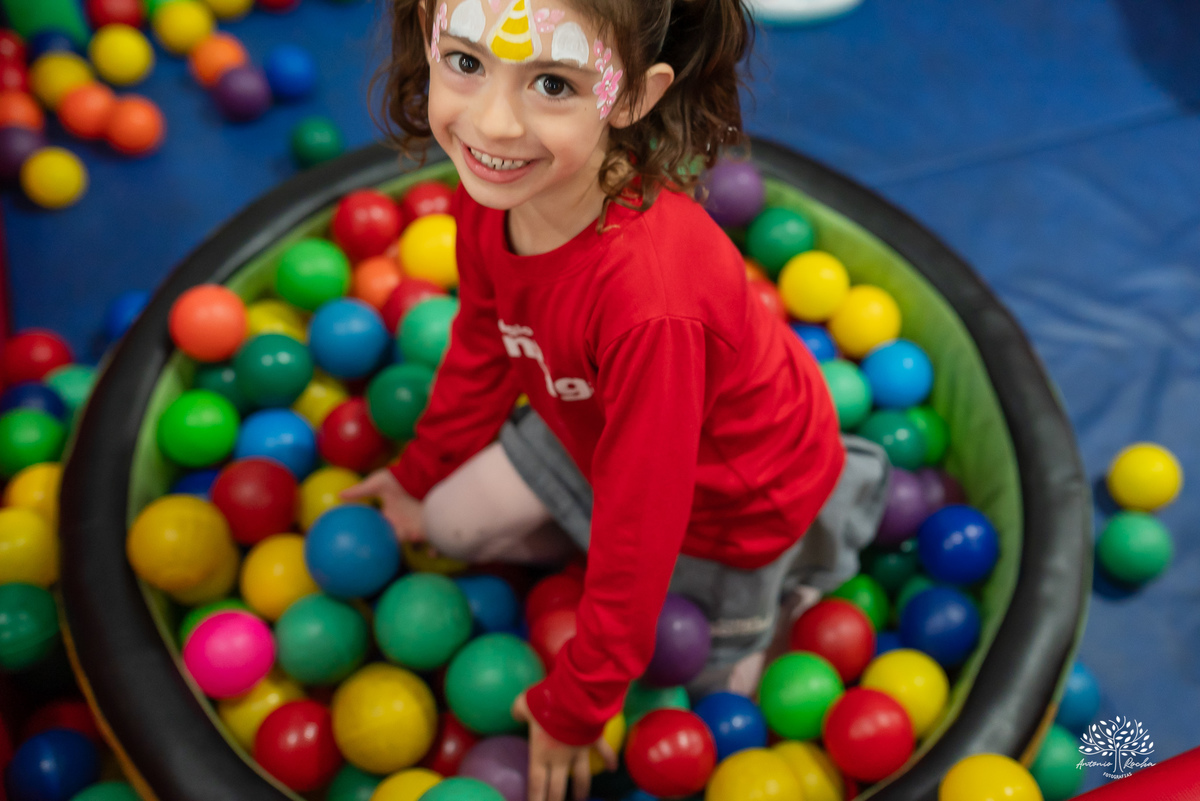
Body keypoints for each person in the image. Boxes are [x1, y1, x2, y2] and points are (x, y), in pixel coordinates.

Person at [346, 1, 888, 799]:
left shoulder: (651, 301)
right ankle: (590, 564)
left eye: (554, 83)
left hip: (731, 500)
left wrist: (578, 701)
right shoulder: (497, 188)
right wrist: (422, 470)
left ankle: (804, 567)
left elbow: (642, 518)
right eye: (464, 62)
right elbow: (485, 338)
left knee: (707, 697)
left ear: (633, 95)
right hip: (590, 434)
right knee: (444, 523)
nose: (494, 124)